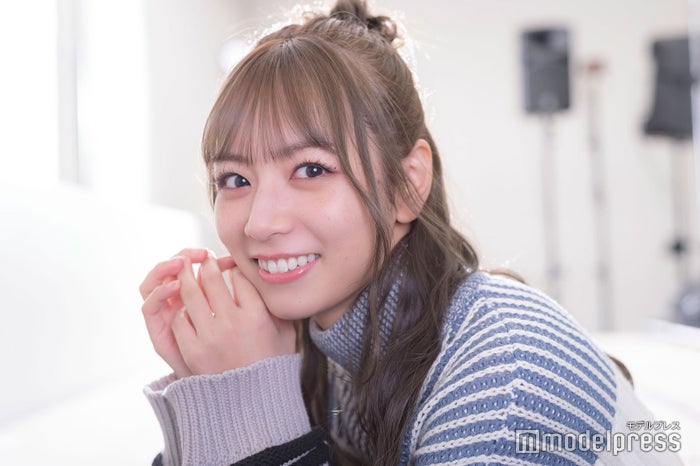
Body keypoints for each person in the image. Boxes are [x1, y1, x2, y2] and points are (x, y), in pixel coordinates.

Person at [139, 1, 682, 465]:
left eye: (311, 169)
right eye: (235, 180)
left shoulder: (503, 388)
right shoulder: (322, 353)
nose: (259, 222)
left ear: (407, 184)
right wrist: (204, 391)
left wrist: (247, 399)